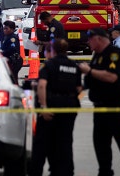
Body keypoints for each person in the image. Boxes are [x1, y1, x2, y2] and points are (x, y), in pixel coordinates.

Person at [78, 28, 120, 176]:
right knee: (101, 146)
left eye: (90, 39)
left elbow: (112, 77)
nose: (88, 42)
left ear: (99, 39)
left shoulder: (114, 54)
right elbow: (91, 80)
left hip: (116, 108)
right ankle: (105, 172)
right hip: (100, 108)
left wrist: (89, 71)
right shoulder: (98, 55)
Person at [29, 38, 82, 176]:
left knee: (41, 144)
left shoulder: (49, 65)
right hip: (69, 109)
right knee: (65, 143)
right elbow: (78, 88)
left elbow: (42, 86)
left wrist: (44, 107)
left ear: (53, 50)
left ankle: (36, 172)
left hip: (51, 107)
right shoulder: (73, 65)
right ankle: (66, 172)